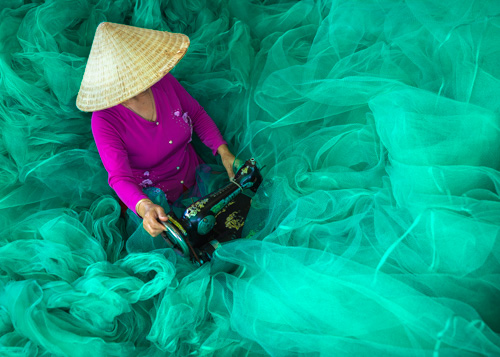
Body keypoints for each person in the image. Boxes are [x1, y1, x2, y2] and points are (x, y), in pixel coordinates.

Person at [76, 22, 236, 238]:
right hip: (155, 201)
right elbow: (120, 177)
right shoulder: (104, 120)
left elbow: (196, 115)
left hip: (197, 177)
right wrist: (145, 207)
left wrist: (223, 152)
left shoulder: (164, 83)